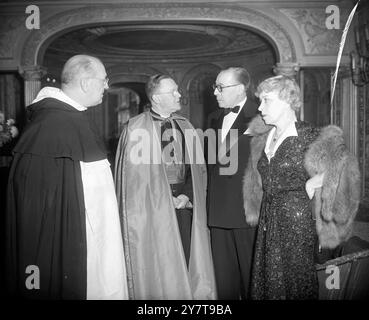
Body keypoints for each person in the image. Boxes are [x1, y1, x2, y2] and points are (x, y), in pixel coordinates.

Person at [6, 55, 128, 299]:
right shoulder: (55, 123)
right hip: (74, 244)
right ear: (85, 83)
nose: (106, 86)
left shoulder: (70, 117)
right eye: (104, 80)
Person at [242, 75, 361, 299]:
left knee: (295, 282)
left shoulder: (310, 136)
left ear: (288, 99)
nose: (260, 107)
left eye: (266, 100)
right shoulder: (263, 137)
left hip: (298, 223)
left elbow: (344, 172)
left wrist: (313, 183)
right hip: (268, 220)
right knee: (267, 279)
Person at [114, 74, 216, 299]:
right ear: (157, 98)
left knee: (188, 256)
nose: (179, 94)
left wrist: (187, 196)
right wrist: (163, 198)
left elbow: (196, 169)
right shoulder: (135, 128)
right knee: (160, 261)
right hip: (151, 207)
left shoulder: (186, 125)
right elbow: (134, 178)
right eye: (173, 91)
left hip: (184, 205)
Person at [206, 67, 258, 299]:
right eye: (215, 87)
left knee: (251, 278)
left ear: (240, 89)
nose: (215, 92)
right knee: (223, 280)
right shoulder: (213, 118)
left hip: (246, 212)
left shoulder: (261, 115)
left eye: (220, 87)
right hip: (217, 210)